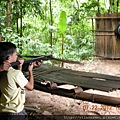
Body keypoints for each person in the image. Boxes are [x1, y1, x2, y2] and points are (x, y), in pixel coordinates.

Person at [0, 42, 41, 120]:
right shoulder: (15, 73)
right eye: (15, 55)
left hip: (3, 110)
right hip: (16, 112)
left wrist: (20, 67)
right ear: (9, 58)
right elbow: (30, 86)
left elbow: (16, 81)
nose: (17, 56)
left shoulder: (3, 71)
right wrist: (30, 70)